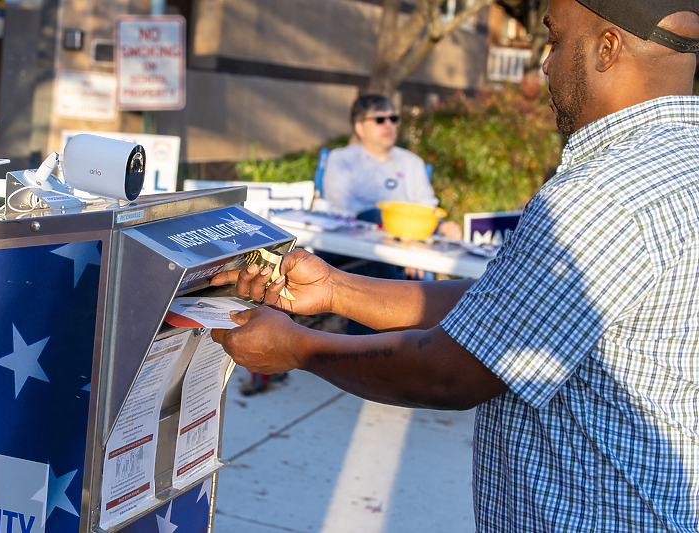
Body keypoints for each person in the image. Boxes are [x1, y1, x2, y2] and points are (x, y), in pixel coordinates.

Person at [210, 0, 699, 530]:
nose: (546, 63)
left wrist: (294, 346)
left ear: (607, 48)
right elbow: (511, 310)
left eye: (554, 40)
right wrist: (334, 289)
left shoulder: (602, 194)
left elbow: (450, 372)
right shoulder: (678, 162)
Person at [323, 93, 462, 239]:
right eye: (380, 120)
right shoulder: (341, 160)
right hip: (355, 246)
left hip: (408, 246)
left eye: (393, 119)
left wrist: (443, 226)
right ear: (359, 128)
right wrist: (387, 219)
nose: (389, 125)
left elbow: (427, 208)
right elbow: (343, 209)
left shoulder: (412, 162)